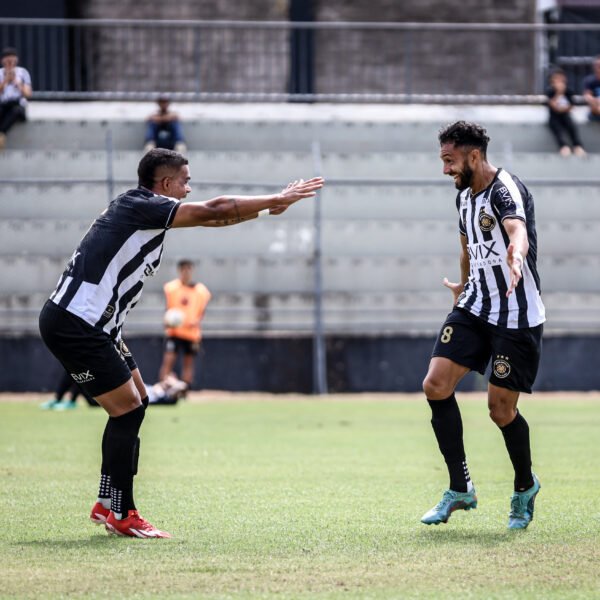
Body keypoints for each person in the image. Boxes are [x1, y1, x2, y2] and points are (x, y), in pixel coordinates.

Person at [38, 147, 323, 538]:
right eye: (185, 181)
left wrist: (263, 211)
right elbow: (214, 211)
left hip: (97, 326)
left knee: (137, 401)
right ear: (166, 183)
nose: (189, 188)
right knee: (127, 411)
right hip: (77, 323)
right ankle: (122, 512)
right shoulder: (144, 206)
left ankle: (107, 503)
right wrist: (275, 198)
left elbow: (216, 216)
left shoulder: (138, 208)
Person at [420, 121, 545, 530]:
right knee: (435, 384)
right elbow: (466, 248)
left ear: (474, 156)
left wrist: (515, 255)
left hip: (516, 312)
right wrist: (461, 287)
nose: (445, 170)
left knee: (500, 409)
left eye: (449, 161)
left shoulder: (503, 188)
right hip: (475, 305)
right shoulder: (464, 198)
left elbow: (516, 230)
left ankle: (525, 487)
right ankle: (460, 488)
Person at [158, 260, 211, 393]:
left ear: (192, 270)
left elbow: (201, 312)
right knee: (168, 359)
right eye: (183, 269)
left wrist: (195, 321)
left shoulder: (201, 290)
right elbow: (168, 309)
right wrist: (167, 321)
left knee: (188, 362)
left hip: (191, 333)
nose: (186, 272)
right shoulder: (171, 288)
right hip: (174, 332)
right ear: (179, 271)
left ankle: (185, 389)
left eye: (188, 269)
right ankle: (162, 388)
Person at [545, 69, 586, 157]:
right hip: (554, 117)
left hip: (565, 116)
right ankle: (563, 147)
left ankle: (577, 146)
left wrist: (563, 108)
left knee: (572, 127)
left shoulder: (568, 91)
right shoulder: (550, 92)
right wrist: (559, 93)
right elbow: (553, 105)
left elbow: (570, 106)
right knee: (557, 130)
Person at [0, 47, 32, 150]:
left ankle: (2, 133)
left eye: (12, 60)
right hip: (3, 104)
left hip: (17, 104)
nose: (9, 63)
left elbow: (28, 94)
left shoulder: (23, 73)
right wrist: (5, 81)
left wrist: (16, 82)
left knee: (15, 111)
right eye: (7, 60)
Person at [582, 55, 600, 122]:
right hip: (595, 107)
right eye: (598, 66)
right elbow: (587, 95)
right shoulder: (589, 80)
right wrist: (595, 101)